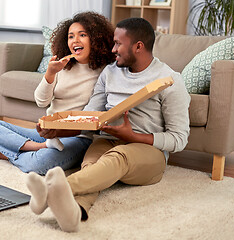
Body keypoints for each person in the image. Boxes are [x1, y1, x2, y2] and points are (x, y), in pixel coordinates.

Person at [26, 18, 191, 232]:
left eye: (118, 44)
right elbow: (89, 117)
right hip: (107, 140)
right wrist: (57, 130)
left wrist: (133, 137)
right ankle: (73, 214)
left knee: (117, 158)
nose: (113, 50)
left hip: (148, 151)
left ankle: (52, 190)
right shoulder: (110, 72)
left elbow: (179, 139)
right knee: (93, 169)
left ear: (138, 46)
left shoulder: (169, 80)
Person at [0, 11, 115, 175]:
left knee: (39, 164)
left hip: (78, 138)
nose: (75, 40)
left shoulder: (105, 72)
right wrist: (50, 73)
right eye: (70, 36)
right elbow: (41, 102)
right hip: (47, 133)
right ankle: (39, 147)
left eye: (82, 35)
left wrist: (60, 132)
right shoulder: (63, 66)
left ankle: (0, 152)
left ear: (96, 39)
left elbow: (91, 119)